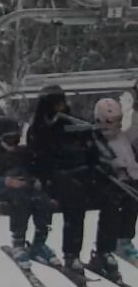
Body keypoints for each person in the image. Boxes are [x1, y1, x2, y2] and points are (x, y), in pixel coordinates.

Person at [27, 85, 115, 278]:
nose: (61, 107)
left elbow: (91, 150)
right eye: (56, 103)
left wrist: (96, 161)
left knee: (111, 196)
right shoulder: (39, 130)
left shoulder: (72, 125)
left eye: (62, 102)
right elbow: (38, 160)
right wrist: (46, 178)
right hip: (56, 179)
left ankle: (104, 250)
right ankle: (71, 254)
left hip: (80, 174)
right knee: (76, 200)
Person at [0, 116, 59, 268]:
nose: (14, 144)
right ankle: (18, 242)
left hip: (24, 187)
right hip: (6, 191)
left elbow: (28, 170)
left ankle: (39, 242)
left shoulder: (20, 154)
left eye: (16, 140)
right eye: (9, 140)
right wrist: (6, 182)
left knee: (42, 200)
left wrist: (34, 181)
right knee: (21, 200)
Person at [94, 98, 138, 264]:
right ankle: (110, 245)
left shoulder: (122, 138)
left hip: (126, 179)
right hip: (104, 182)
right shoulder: (95, 138)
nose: (117, 125)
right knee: (114, 202)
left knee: (132, 199)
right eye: (112, 121)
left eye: (119, 120)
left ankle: (124, 238)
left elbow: (131, 161)